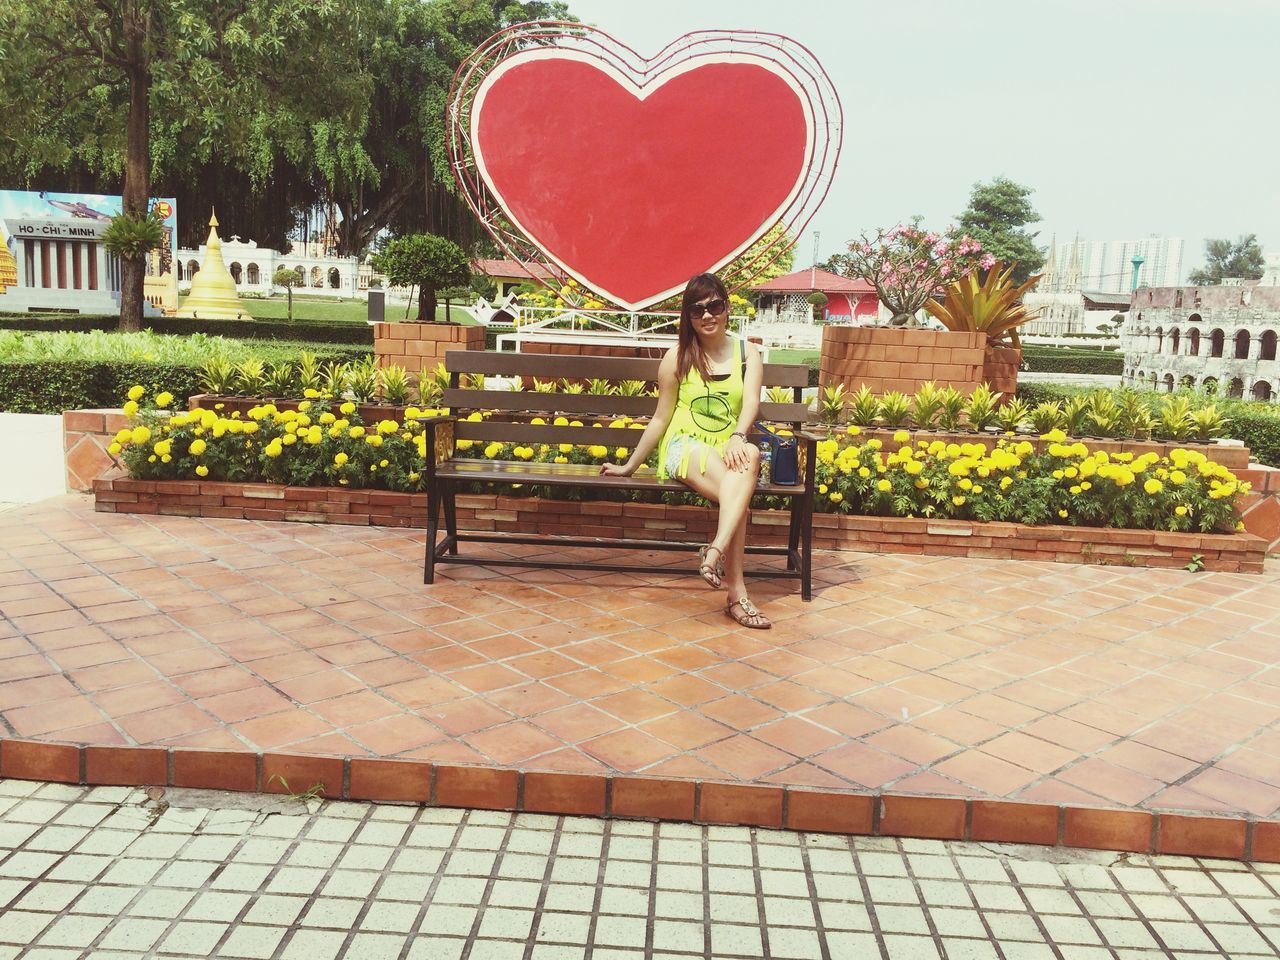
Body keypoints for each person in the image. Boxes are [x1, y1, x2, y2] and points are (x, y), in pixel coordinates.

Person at [601, 273, 770, 629]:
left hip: (728, 445)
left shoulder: (746, 352)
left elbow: (751, 403)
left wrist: (739, 436)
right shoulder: (678, 356)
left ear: (726, 308)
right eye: (697, 310)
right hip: (684, 445)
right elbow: (662, 417)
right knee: (738, 494)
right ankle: (736, 593)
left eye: (715, 306)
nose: (707, 315)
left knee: (750, 457)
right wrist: (630, 466)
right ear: (688, 317)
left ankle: (714, 553)